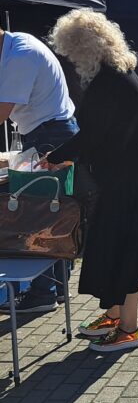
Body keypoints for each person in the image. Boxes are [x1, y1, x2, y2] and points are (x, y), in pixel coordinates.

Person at [41, 9, 138, 352]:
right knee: (110, 240)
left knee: (126, 245)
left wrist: (56, 157)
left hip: (128, 173)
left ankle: (129, 328)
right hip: (126, 169)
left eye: (73, 53)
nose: (72, 62)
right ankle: (114, 313)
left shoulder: (109, 80)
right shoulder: (120, 71)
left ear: (87, 48)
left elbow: (90, 135)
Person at [0, 26, 79, 314]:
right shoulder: (16, 47)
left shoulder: (20, 55)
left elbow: (2, 111)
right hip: (52, 132)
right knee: (55, 212)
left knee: (40, 216)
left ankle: (43, 293)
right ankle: (57, 288)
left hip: (51, 136)